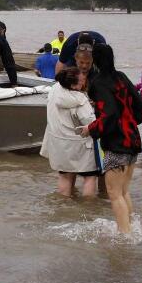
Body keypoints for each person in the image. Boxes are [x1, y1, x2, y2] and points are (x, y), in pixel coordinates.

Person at [80, 44, 142, 234]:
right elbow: (139, 102)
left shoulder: (98, 83)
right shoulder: (121, 77)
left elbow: (108, 114)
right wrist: (133, 121)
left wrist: (89, 129)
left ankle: (125, 237)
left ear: (95, 61)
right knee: (124, 191)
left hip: (117, 144)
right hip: (132, 140)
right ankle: (132, 228)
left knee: (115, 194)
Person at [40, 67, 98, 197]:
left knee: (65, 176)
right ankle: (89, 210)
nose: (84, 82)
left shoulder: (54, 90)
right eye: (81, 81)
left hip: (58, 143)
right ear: (72, 85)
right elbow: (91, 122)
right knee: (90, 177)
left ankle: (64, 207)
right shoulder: (80, 100)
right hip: (80, 146)